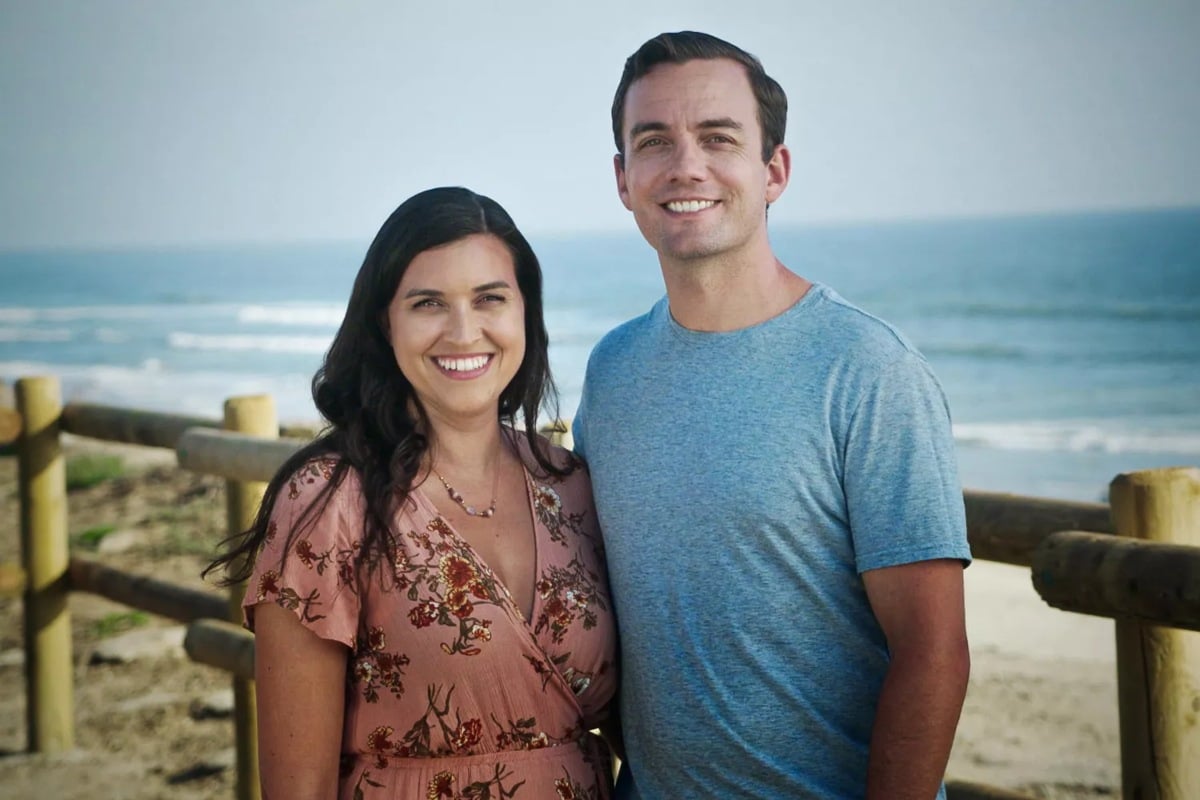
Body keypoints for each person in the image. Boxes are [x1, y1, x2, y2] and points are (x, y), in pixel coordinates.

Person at [571, 31, 972, 799]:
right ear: (624, 179)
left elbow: (934, 654)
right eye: (653, 142)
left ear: (773, 170)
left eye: (718, 138)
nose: (685, 164)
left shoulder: (869, 371)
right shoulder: (612, 370)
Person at [206, 187, 617, 799]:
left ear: (524, 312)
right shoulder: (328, 503)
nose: (462, 330)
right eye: (428, 303)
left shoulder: (572, 485)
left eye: (490, 299)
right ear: (385, 321)